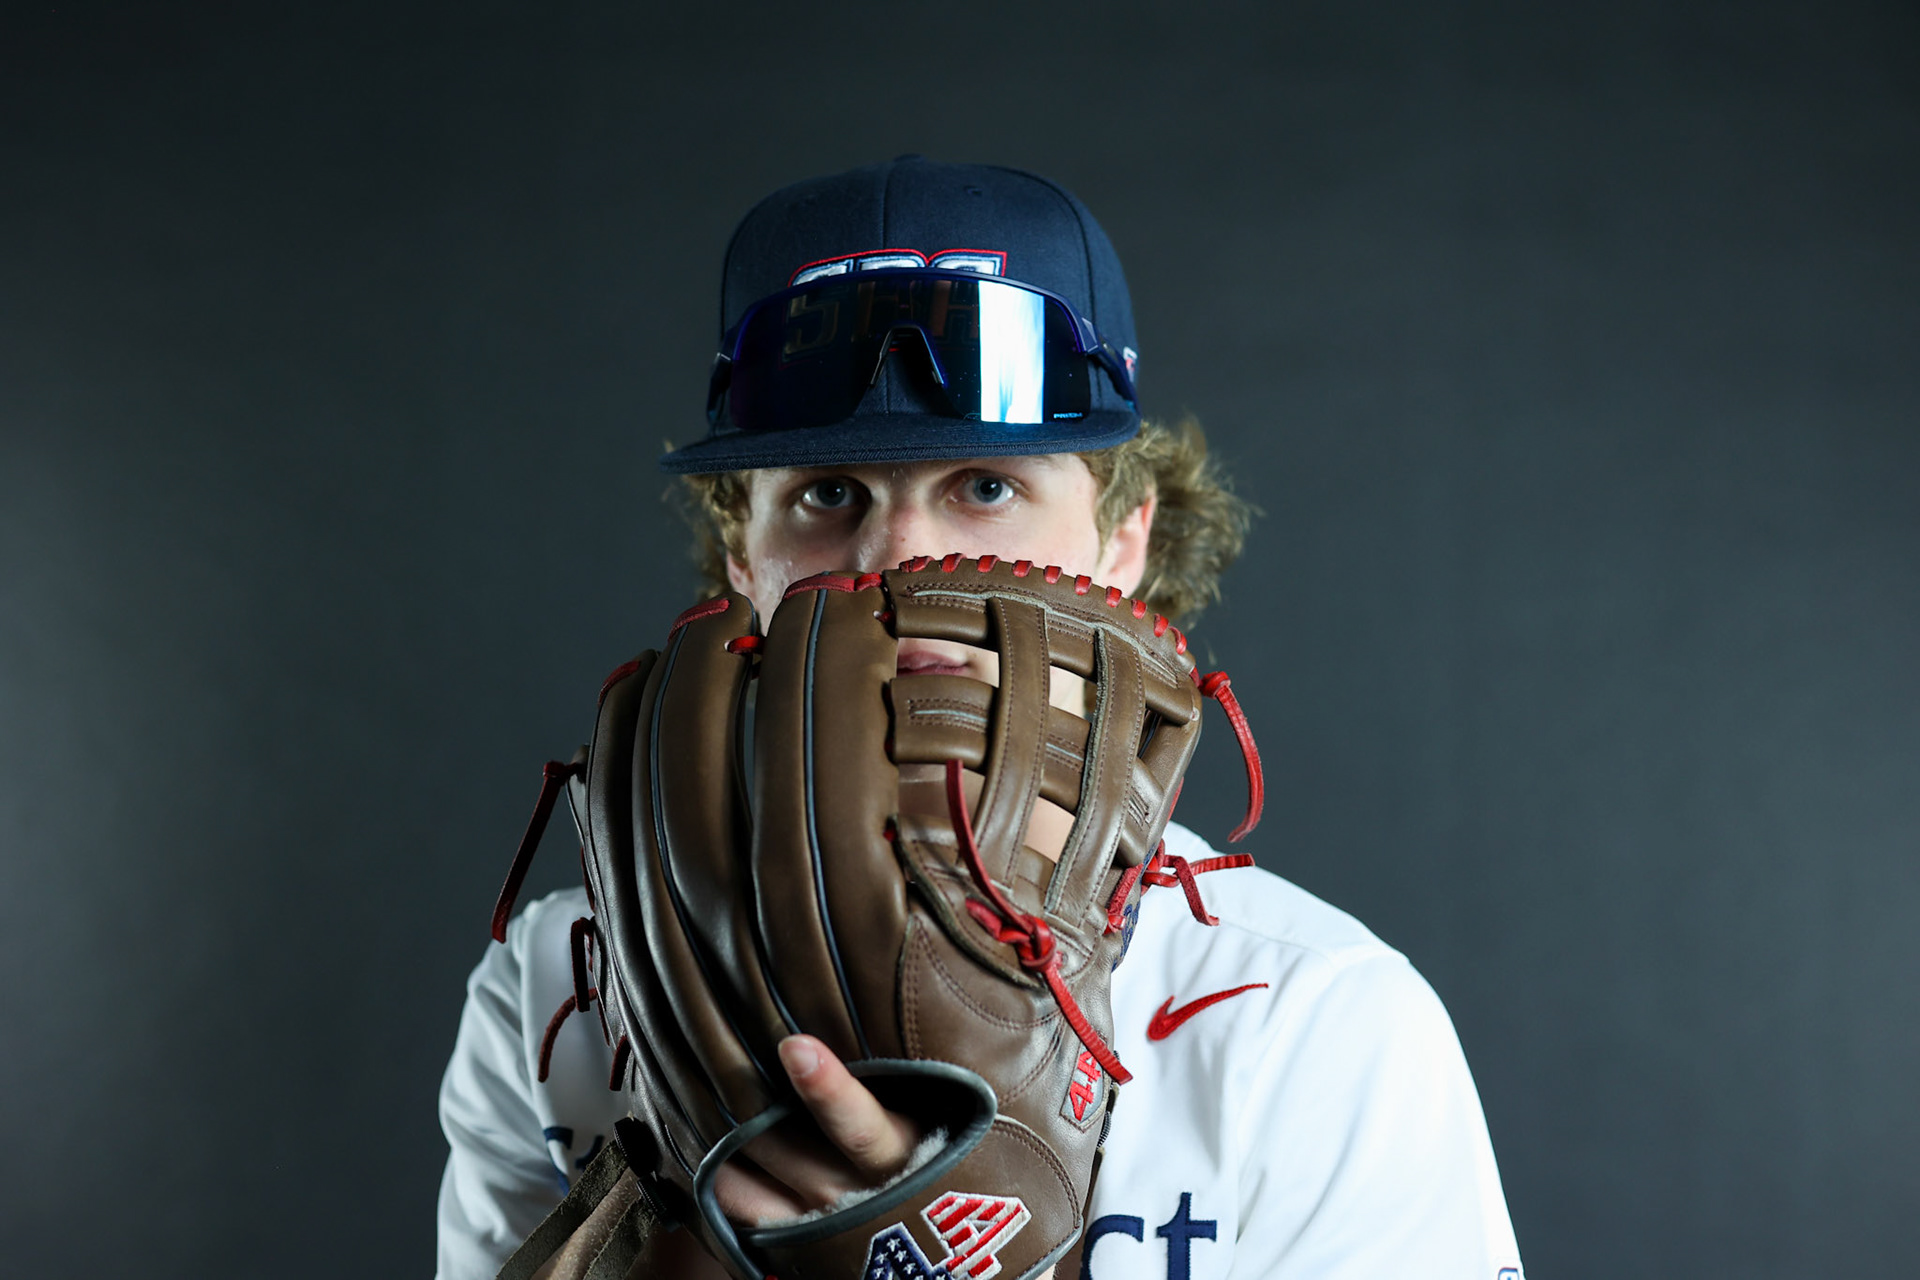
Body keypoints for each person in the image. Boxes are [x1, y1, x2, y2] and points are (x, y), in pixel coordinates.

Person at [437, 156, 1525, 1280]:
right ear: (736, 552)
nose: (899, 558)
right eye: (826, 494)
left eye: (986, 485)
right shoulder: (560, 987)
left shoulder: (1317, 1019)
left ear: (1125, 538)